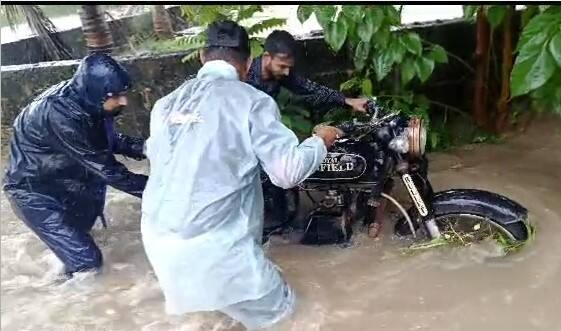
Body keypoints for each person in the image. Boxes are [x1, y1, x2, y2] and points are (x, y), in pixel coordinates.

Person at [140, 20, 340, 329]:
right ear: (248, 63)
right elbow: (287, 172)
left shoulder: (163, 106)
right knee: (292, 318)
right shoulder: (251, 101)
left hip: (159, 245)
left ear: (201, 57)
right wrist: (320, 140)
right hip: (217, 249)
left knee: (224, 311)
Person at [2, 53, 148, 278]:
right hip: (34, 195)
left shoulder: (87, 101)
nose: (124, 102)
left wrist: (148, 147)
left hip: (65, 184)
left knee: (81, 243)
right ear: (96, 93)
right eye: (116, 96)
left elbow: (106, 141)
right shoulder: (59, 115)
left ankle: (59, 268)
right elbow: (108, 170)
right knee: (87, 263)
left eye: (123, 94)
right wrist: (162, 190)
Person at [246, 29, 369, 115]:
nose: (287, 72)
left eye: (289, 67)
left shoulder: (282, 74)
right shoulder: (245, 76)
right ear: (267, 57)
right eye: (282, 66)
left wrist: (346, 100)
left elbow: (310, 88)